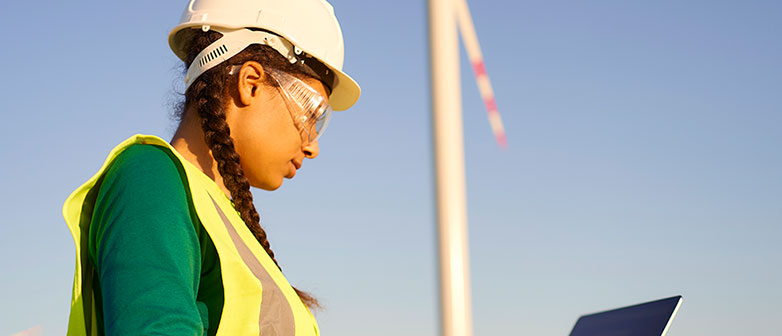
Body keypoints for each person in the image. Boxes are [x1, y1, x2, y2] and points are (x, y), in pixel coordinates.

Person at [62, 0, 360, 335]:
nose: (312, 145)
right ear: (251, 83)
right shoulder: (152, 179)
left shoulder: (226, 221)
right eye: (311, 116)